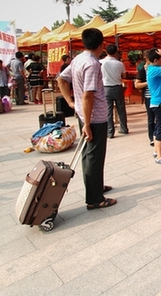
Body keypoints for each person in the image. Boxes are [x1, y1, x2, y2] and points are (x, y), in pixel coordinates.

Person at [57, 28, 116, 210]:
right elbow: (88, 95)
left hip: (85, 115)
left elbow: (61, 79)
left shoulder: (78, 59)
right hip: (94, 117)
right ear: (101, 44)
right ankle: (95, 198)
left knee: (89, 155)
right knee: (94, 157)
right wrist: (88, 124)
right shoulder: (92, 64)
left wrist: (70, 102)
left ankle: (95, 187)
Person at [100, 44, 129, 138]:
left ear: (106, 51)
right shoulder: (119, 63)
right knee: (121, 109)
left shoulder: (101, 62)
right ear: (116, 52)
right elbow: (124, 76)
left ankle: (110, 132)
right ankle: (124, 128)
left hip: (106, 88)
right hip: (117, 87)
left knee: (108, 110)